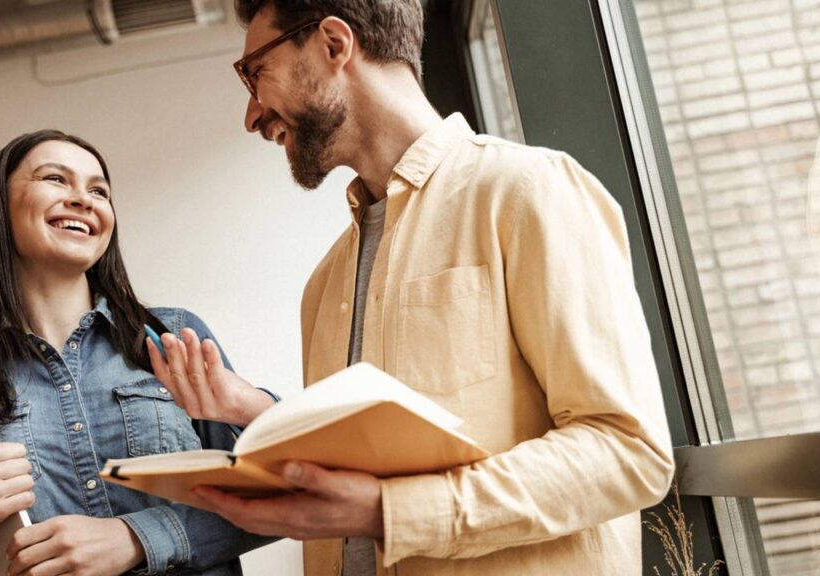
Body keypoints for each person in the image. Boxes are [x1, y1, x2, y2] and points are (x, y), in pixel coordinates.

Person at [162, 1, 676, 574]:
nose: (252, 114)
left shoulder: (529, 190)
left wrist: (390, 512)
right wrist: (259, 416)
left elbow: (627, 452)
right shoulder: (323, 285)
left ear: (334, 43)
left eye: (255, 72)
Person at [0, 130, 276, 576]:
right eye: (56, 179)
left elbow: (279, 492)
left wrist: (134, 538)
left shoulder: (173, 337)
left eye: (98, 191)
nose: (84, 200)